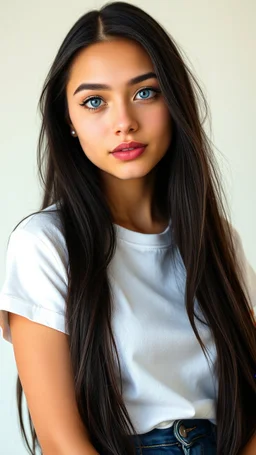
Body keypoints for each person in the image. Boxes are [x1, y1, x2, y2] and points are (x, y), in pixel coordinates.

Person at [0, 2, 255, 454]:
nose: (124, 123)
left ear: (174, 102)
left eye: (145, 93)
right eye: (94, 101)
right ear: (69, 122)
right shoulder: (44, 246)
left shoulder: (216, 242)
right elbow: (62, 443)